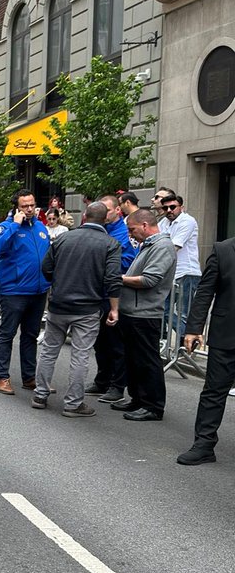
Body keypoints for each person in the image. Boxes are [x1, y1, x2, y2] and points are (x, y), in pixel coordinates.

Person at [31, 202, 122, 417]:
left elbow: (46, 268)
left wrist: (58, 282)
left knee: (49, 350)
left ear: (84, 216)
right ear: (105, 219)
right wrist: (114, 308)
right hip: (87, 307)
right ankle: (73, 403)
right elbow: (112, 279)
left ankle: (40, 394)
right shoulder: (110, 243)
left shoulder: (63, 238)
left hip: (59, 303)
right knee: (80, 355)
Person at [112, 210, 176, 422]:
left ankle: (153, 405)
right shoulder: (148, 245)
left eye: (133, 229)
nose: (131, 234)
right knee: (133, 359)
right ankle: (138, 398)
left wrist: (119, 278)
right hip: (134, 311)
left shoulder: (162, 247)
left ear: (146, 225)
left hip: (146, 313)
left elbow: (150, 280)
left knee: (147, 360)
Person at [178, 237, 235, 465]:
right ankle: (203, 444)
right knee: (214, 392)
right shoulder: (223, 250)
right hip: (226, 335)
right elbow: (205, 291)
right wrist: (193, 328)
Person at [0, 190, 51, 394]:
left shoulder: (40, 227)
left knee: (30, 336)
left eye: (32, 205)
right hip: (14, 291)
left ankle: (29, 377)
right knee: (7, 334)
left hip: (39, 291)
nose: (30, 209)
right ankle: (2, 377)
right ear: (16, 207)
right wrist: (15, 224)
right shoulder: (6, 227)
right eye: (25, 206)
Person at [85, 196, 137, 406]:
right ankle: (103, 379)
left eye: (107, 210)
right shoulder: (101, 229)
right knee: (100, 342)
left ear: (117, 210)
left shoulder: (124, 233)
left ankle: (117, 385)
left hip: (113, 294)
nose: (103, 213)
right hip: (98, 293)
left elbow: (128, 260)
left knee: (115, 342)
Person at [159, 193, 201, 341]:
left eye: (173, 207)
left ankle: (186, 341)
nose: (169, 210)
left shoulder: (187, 221)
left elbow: (173, 247)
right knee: (163, 309)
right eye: (165, 207)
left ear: (181, 207)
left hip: (187, 272)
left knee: (183, 312)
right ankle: (184, 341)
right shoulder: (163, 223)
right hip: (170, 273)